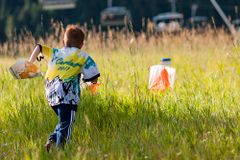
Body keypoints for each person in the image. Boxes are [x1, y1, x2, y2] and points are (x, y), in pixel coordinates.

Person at [28, 24, 100, 152]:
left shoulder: (56, 52)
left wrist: (30, 63)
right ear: (82, 44)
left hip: (51, 94)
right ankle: (61, 150)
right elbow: (93, 76)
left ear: (63, 41)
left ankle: (52, 140)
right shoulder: (83, 56)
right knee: (67, 123)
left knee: (63, 121)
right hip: (68, 96)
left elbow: (38, 47)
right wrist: (93, 87)